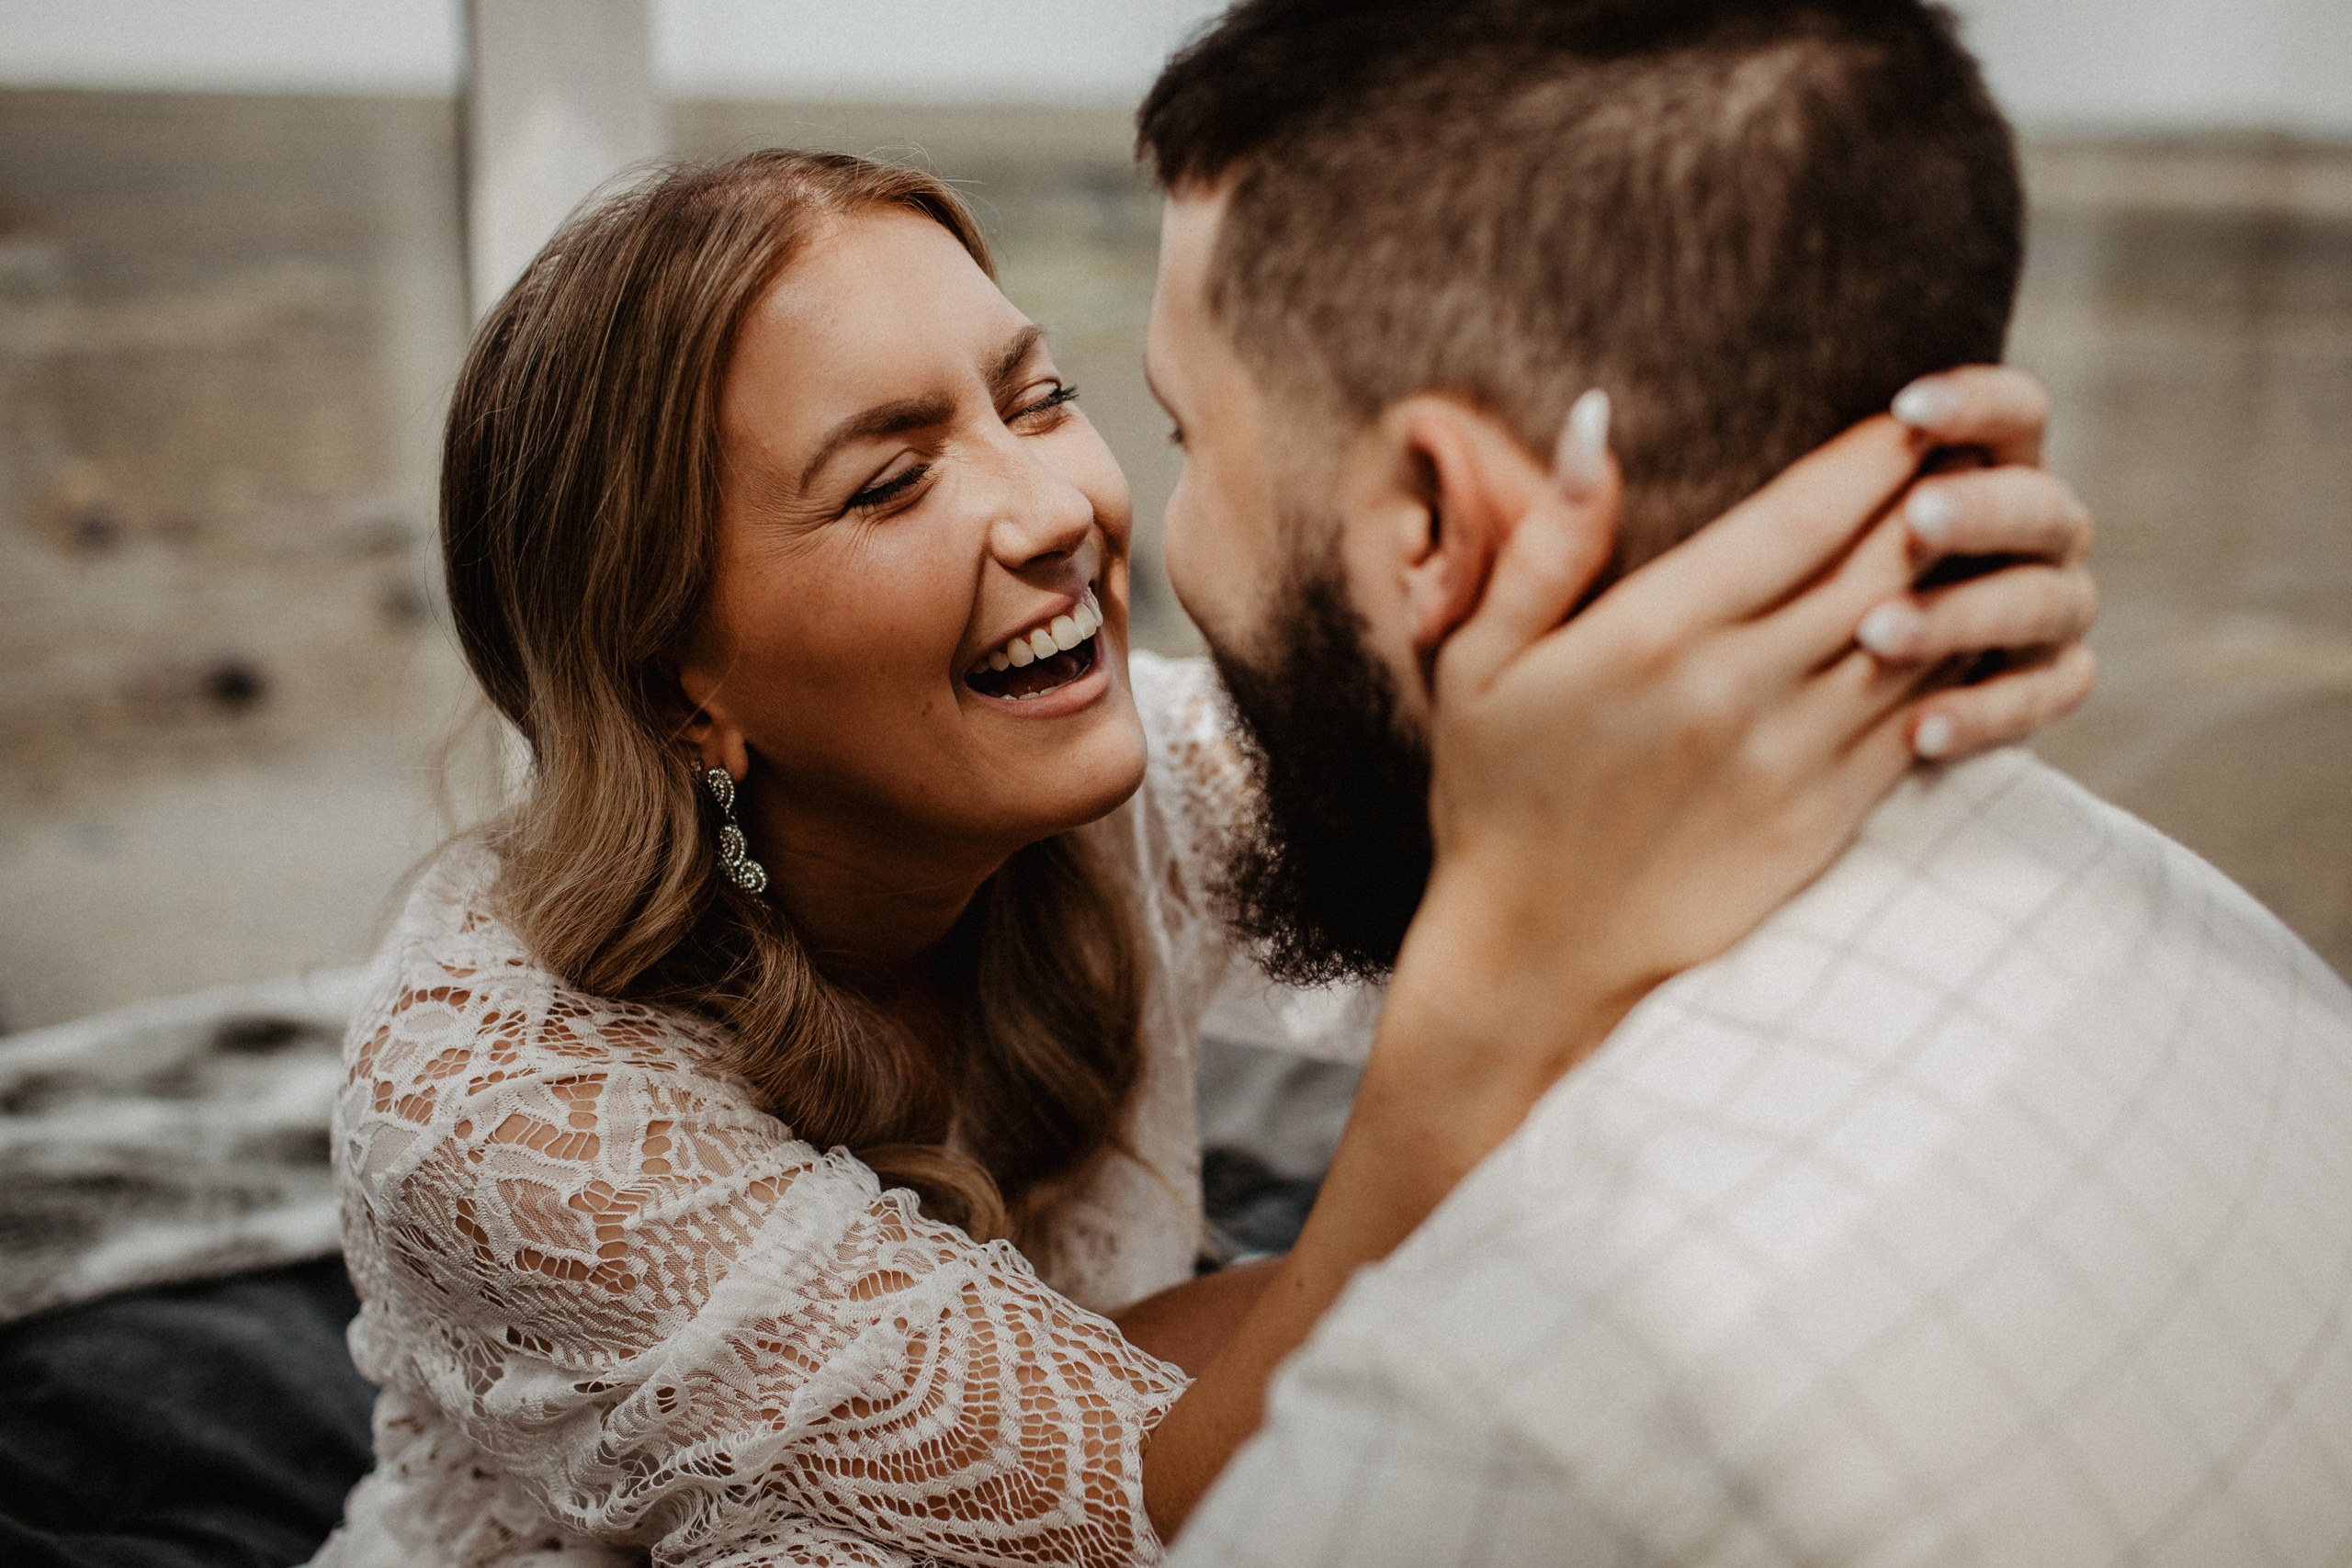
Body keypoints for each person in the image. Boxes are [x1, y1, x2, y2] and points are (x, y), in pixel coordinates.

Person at [311, 129, 2097, 1567]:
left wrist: (1901, 569)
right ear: (680, 681)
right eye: (888, 478)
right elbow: (1166, 1497)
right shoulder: (502, 1117)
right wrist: (1486, 1013)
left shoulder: (1118, 787)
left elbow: (1543, 720)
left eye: (1034, 395)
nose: (1060, 510)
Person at [1129, 1, 2352, 1562]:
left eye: (1181, 433)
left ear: (1433, 519)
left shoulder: (1490, 1418)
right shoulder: (2224, 941)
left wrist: (1488, 988)